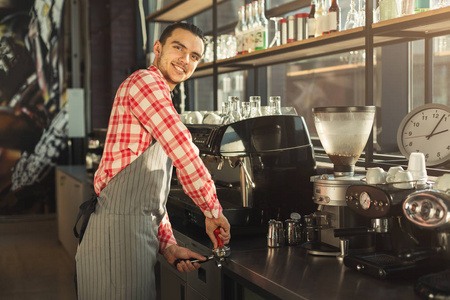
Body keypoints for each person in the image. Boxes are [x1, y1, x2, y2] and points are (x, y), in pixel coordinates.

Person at [75, 22, 231, 299]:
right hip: (116, 236)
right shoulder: (145, 83)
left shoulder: (161, 96)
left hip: (130, 233)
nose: (185, 60)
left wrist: (168, 244)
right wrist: (213, 211)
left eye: (195, 56)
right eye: (178, 48)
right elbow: (183, 148)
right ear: (157, 48)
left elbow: (146, 199)